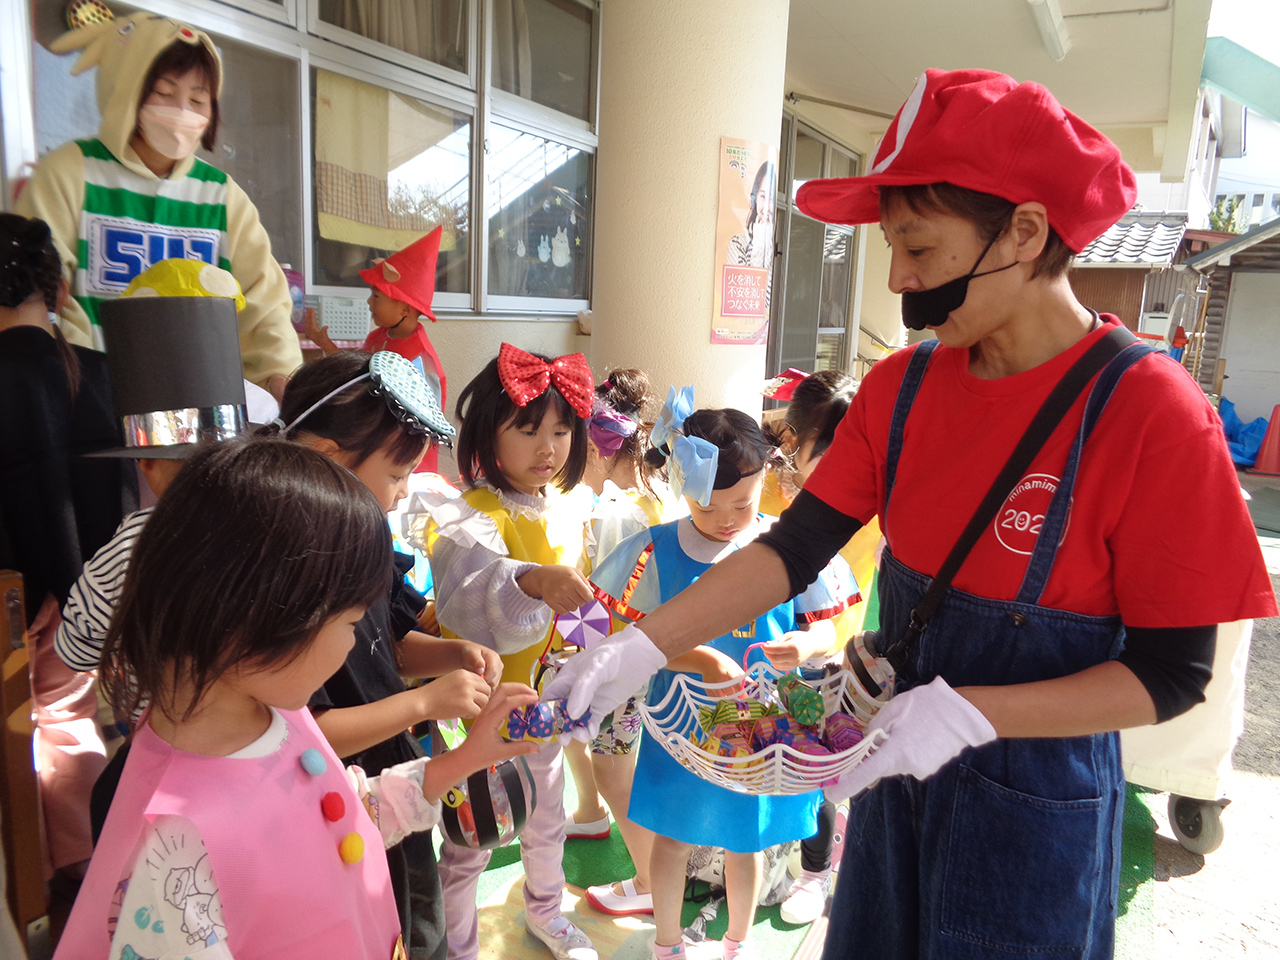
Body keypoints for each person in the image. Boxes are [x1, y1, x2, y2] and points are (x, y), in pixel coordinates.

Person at [546, 69, 1278, 960]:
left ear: (1024, 233)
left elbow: (1172, 675)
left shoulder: (1150, 413)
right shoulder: (901, 390)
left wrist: (975, 712)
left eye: (920, 250)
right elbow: (791, 549)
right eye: (891, 247)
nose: (897, 278)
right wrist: (643, 644)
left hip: (1035, 810)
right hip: (891, 775)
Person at [52, 439, 539, 960]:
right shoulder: (177, 848)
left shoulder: (277, 718)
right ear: (253, 623)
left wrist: (467, 758)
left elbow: (348, 812)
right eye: (351, 623)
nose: (356, 643)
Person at [588, 403, 858, 960]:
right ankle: (667, 945)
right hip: (679, 726)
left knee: (747, 836)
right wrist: (700, 659)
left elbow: (830, 628)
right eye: (708, 506)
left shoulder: (787, 546)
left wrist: (804, 645)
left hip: (761, 727)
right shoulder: (655, 550)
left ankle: (736, 943)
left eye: (744, 503)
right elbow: (627, 638)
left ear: (765, 483)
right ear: (682, 488)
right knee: (673, 834)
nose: (729, 519)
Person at [276, 349, 488, 960]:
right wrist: (423, 701)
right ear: (326, 460)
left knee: (421, 920)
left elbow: (388, 645)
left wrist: (452, 655)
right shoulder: (287, 581)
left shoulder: (363, 537)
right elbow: (305, 736)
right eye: (396, 477)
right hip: (337, 798)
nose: (402, 495)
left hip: (393, 778)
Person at [16, 12, 301, 399]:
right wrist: (73, 383)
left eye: (198, 99)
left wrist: (277, 374)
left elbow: (263, 301)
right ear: (125, 89)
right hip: (86, 398)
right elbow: (40, 288)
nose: (182, 111)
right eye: (164, 94)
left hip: (200, 405)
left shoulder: (221, 194)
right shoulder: (70, 172)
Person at [422, 342, 598, 960]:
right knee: (473, 835)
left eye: (560, 430)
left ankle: (548, 912)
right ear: (486, 436)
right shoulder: (470, 515)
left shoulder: (576, 508)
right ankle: (457, 945)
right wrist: (531, 580)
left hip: (546, 707)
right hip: (481, 715)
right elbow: (467, 605)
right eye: (527, 430)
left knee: (547, 819)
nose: (548, 448)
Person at [0, 213, 132, 882]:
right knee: (71, 721)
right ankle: (83, 867)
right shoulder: (100, 372)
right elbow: (124, 489)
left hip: (13, 597)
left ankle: (30, 883)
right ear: (55, 291)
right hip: (89, 589)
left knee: (17, 741)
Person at [759, 368, 883, 925]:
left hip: (837, 656)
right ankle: (780, 858)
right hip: (774, 651)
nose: (841, 462)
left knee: (820, 773)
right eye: (825, 448)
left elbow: (850, 610)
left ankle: (816, 873)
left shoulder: (877, 505)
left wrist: (818, 642)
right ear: (795, 440)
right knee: (774, 757)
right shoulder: (769, 489)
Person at [569, 369, 673, 917]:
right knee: (589, 742)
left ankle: (652, 883)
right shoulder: (656, 493)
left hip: (627, 661)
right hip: (653, 654)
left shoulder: (615, 513)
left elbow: (606, 602)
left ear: (594, 447)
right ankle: (589, 812)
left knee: (612, 765)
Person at [306, 226, 449, 472]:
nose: (369, 302)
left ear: (405, 309)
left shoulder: (420, 359)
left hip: (405, 461)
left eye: (377, 297)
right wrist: (326, 345)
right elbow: (359, 373)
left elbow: (424, 426)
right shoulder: (378, 336)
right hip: (374, 447)